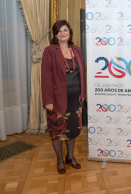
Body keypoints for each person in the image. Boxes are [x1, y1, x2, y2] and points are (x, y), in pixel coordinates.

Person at [41, 20, 85, 174]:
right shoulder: (50, 51)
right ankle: (60, 159)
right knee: (58, 132)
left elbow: (81, 74)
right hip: (57, 100)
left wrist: (83, 95)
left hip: (75, 100)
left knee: (72, 130)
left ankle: (70, 157)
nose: (62, 33)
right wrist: (48, 101)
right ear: (55, 34)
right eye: (59, 31)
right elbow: (46, 77)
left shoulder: (77, 50)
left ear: (70, 32)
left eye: (65, 30)